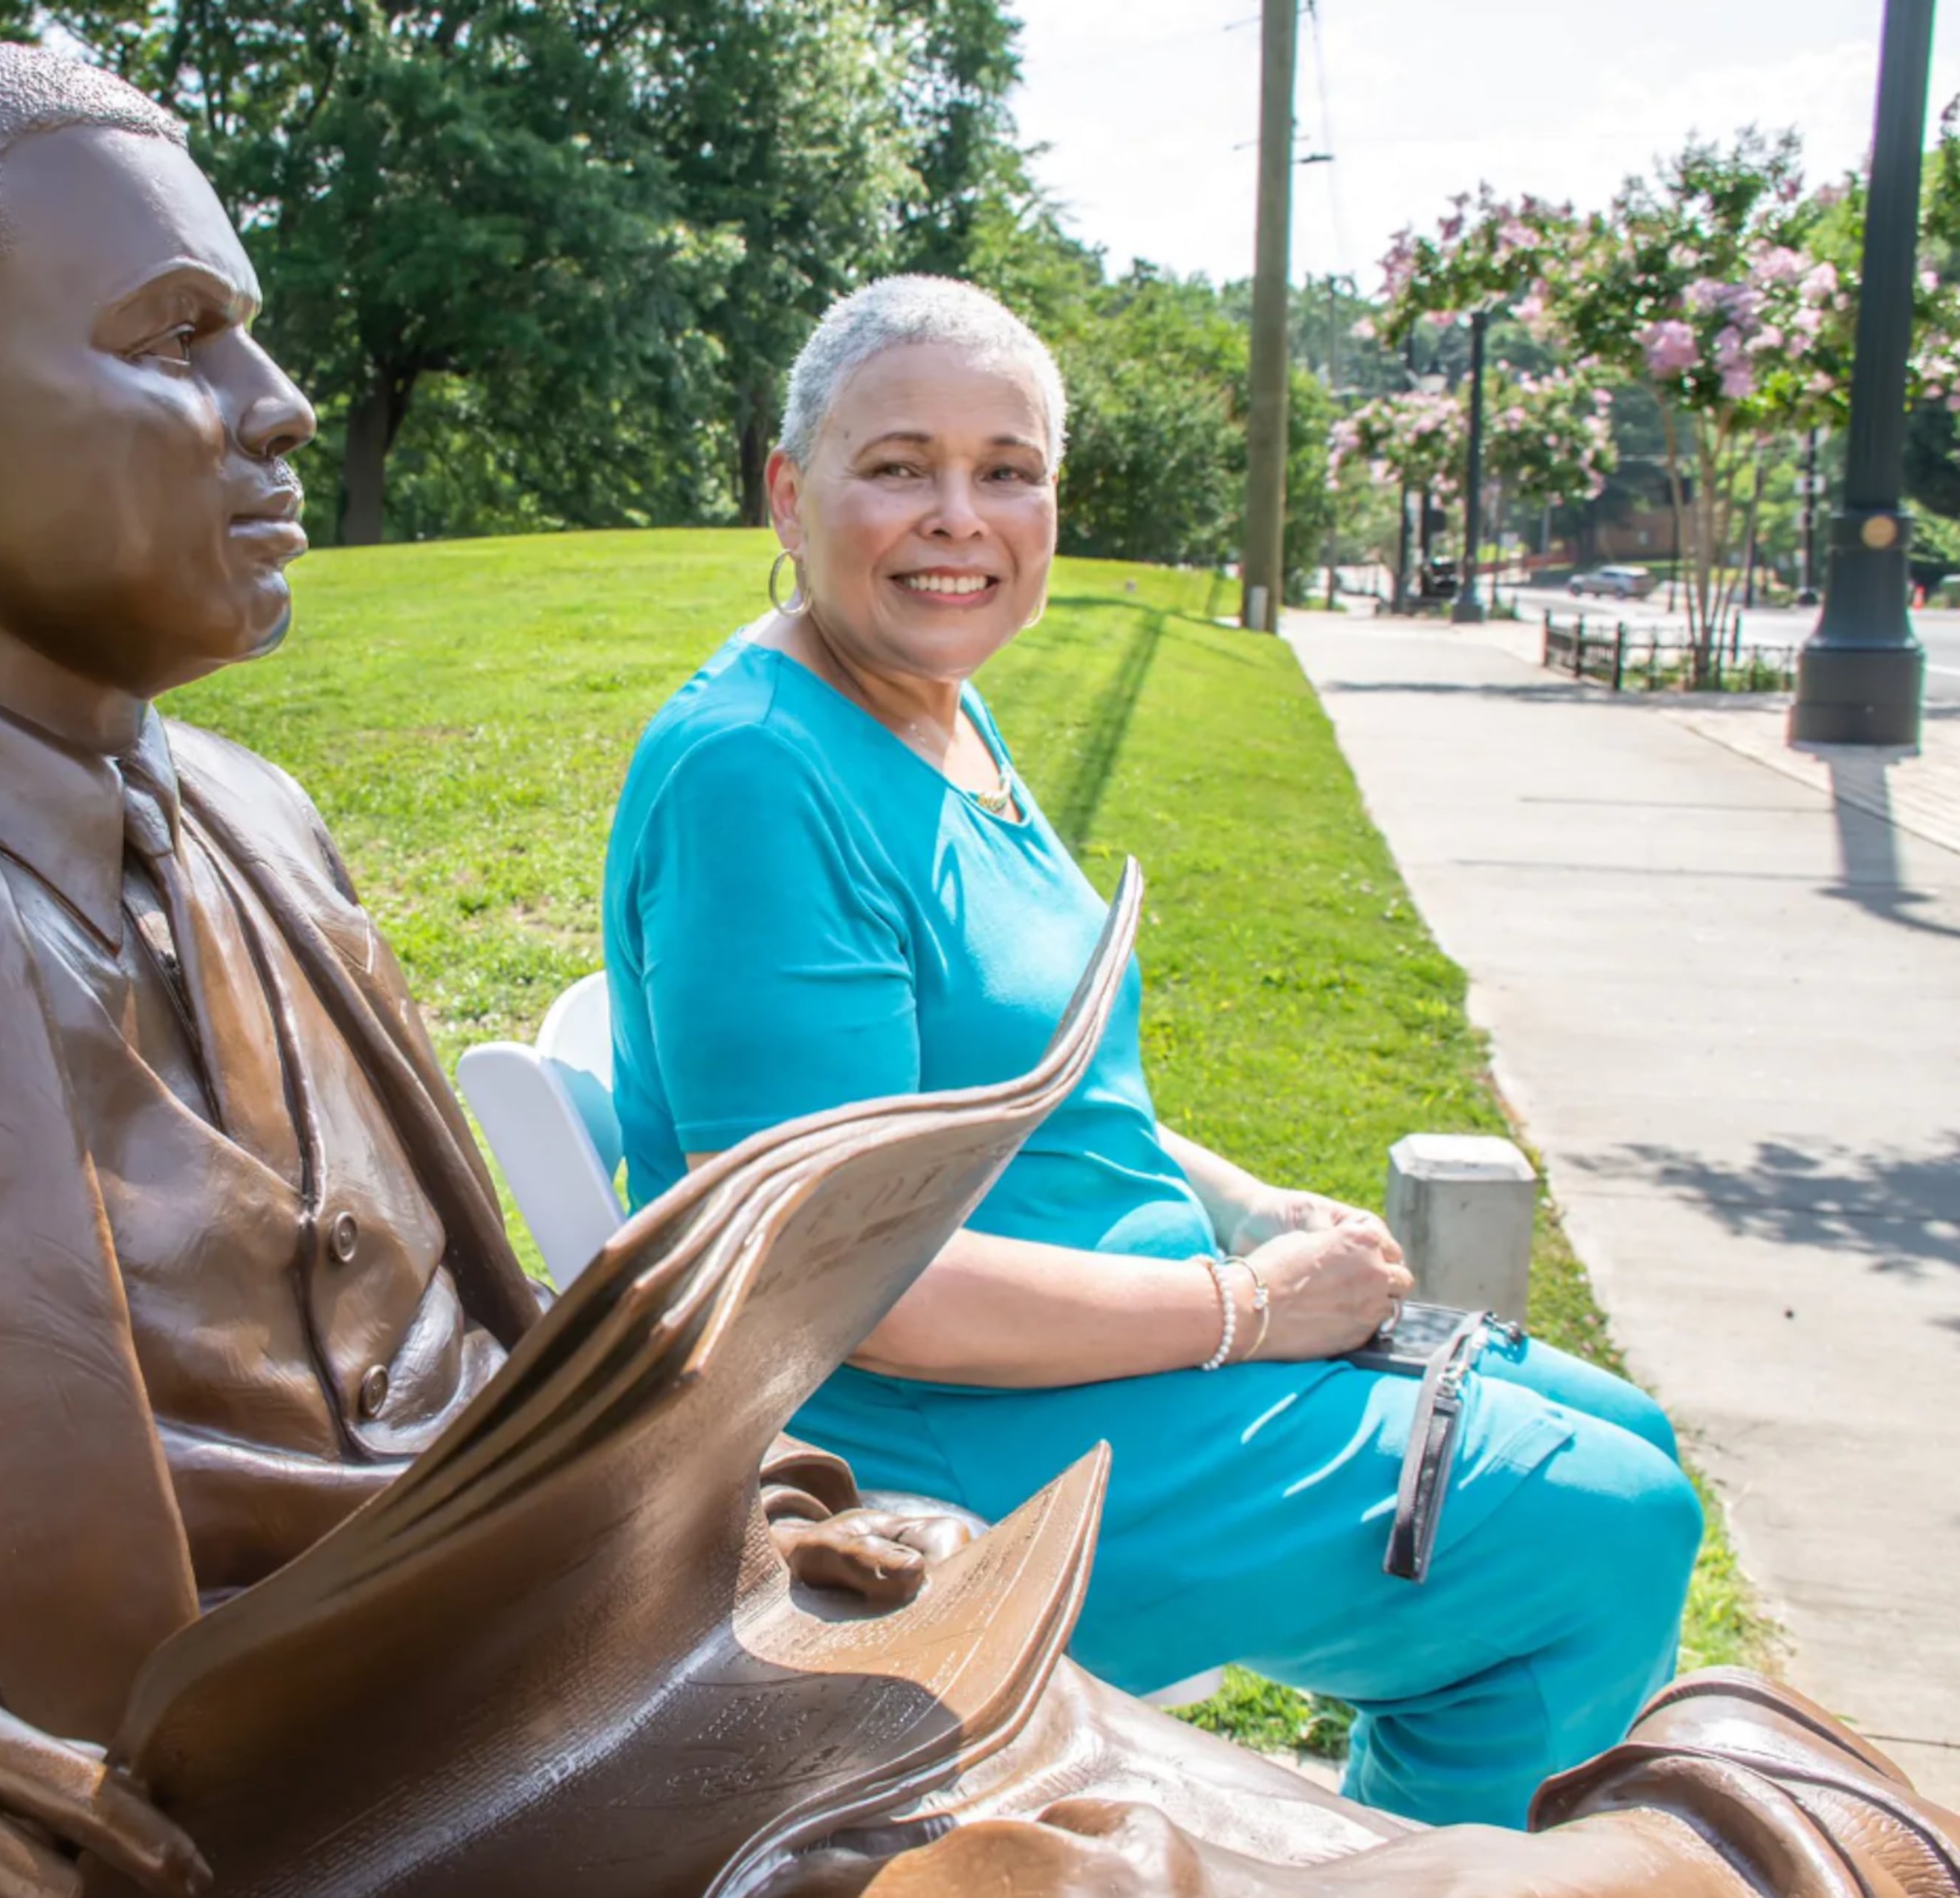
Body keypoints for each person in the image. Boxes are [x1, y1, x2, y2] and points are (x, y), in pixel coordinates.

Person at [0, 51, 1950, 1898]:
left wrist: (744, 1497)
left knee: (1736, 1810)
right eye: (184, 341)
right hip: (287, 1834)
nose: (286, 408)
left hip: (667, 1702)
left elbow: (452, 1394)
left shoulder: (254, 822)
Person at [602, 275, 1707, 1830]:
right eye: (899, 464)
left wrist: (1253, 1204)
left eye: (1008, 469)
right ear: (790, 493)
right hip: (930, 1445)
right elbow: (867, 1283)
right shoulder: (758, 777)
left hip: (1111, 1348)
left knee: (1628, 1437)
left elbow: (1035, 1087)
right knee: (1610, 1528)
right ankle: (1431, 1865)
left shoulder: (938, 711)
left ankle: (1400, 1837)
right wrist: (1249, 1308)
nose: (959, 516)